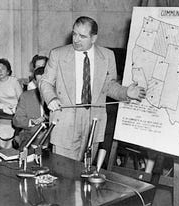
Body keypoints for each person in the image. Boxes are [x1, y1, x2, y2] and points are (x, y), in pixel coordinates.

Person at [40, 16, 146, 161]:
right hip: (66, 118)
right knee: (63, 171)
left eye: (82, 36)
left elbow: (109, 86)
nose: (76, 39)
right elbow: (45, 82)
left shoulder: (107, 56)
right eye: (74, 34)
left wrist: (126, 92)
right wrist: (51, 98)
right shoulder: (58, 54)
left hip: (94, 120)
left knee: (87, 170)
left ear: (94, 38)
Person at [0, 58, 23, 148]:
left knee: (12, 130)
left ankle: (11, 151)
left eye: (3, 68)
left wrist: (15, 109)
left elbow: (22, 99)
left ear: (8, 71)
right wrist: (0, 106)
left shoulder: (14, 81)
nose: (0, 71)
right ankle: (4, 151)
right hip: (3, 111)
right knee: (2, 130)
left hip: (18, 110)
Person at [13, 67, 49, 147]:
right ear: (35, 82)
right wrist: (31, 122)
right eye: (39, 82)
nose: (42, 85)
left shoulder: (60, 97)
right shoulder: (26, 96)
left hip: (53, 136)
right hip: (31, 136)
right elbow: (17, 120)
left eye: (45, 82)